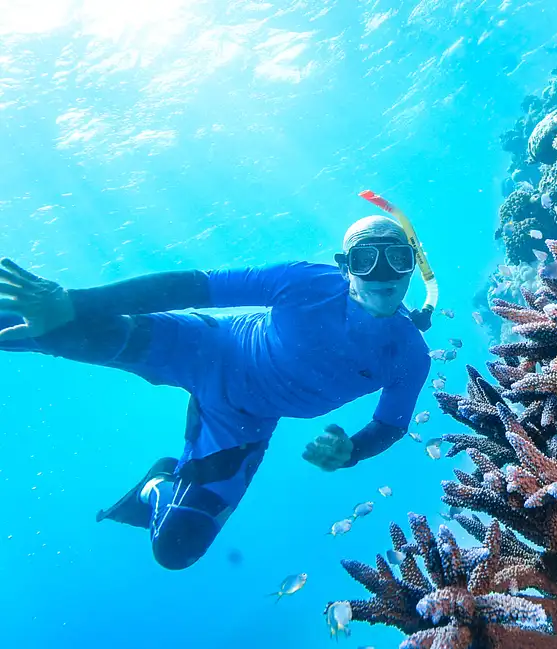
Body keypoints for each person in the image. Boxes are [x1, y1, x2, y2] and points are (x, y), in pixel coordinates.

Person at [0, 215, 432, 570]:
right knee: (60, 328)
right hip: (205, 349)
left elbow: (389, 426)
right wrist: (77, 302)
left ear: (412, 265)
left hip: (241, 423)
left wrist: (351, 451)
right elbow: (196, 285)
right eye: (365, 259)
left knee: (176, 549)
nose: (383, 275)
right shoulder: (305, 282)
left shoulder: (411, 355)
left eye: (396, 258)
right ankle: (52, 318)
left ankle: (156, 487)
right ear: (344, 265)